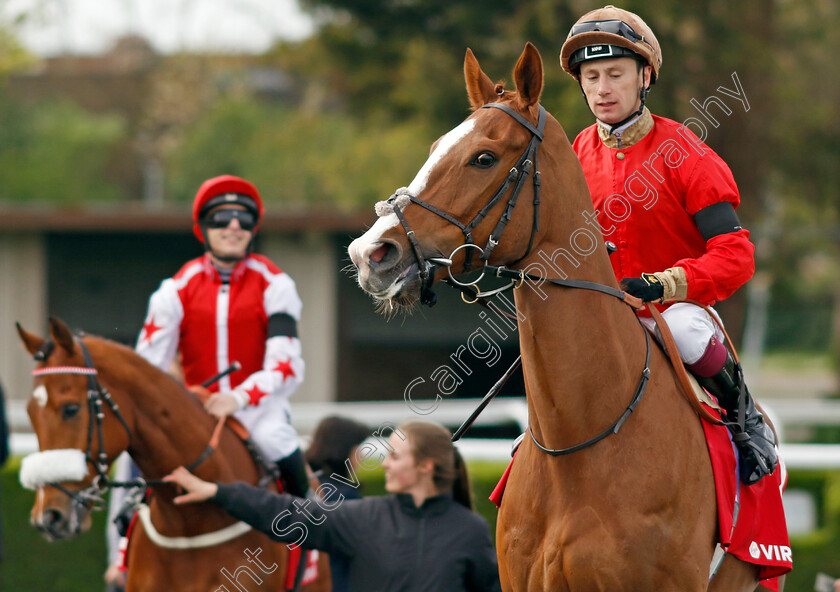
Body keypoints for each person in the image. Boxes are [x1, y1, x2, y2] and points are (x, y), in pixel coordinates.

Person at [558, 5, 777, 485]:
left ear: (645, 77)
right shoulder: (573, 155)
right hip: (601, 315)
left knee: (686, 332)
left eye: (615, 74)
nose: (602, 88)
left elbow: (736, 254)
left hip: (673, 312)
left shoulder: (687, 153)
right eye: (591, 77)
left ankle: (746, 421)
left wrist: (665, 284)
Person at [164, 420, 502, 592]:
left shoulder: (470, 531)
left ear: (425, 466)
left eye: (395, 457)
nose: (383, 464)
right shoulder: (363, 518)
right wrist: (217, 491)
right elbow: (285, 511)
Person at [305, 416, 372, 592]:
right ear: (345, 450)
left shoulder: (303, 486)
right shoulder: (345, 497)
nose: (362, 457)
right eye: (359, 449)